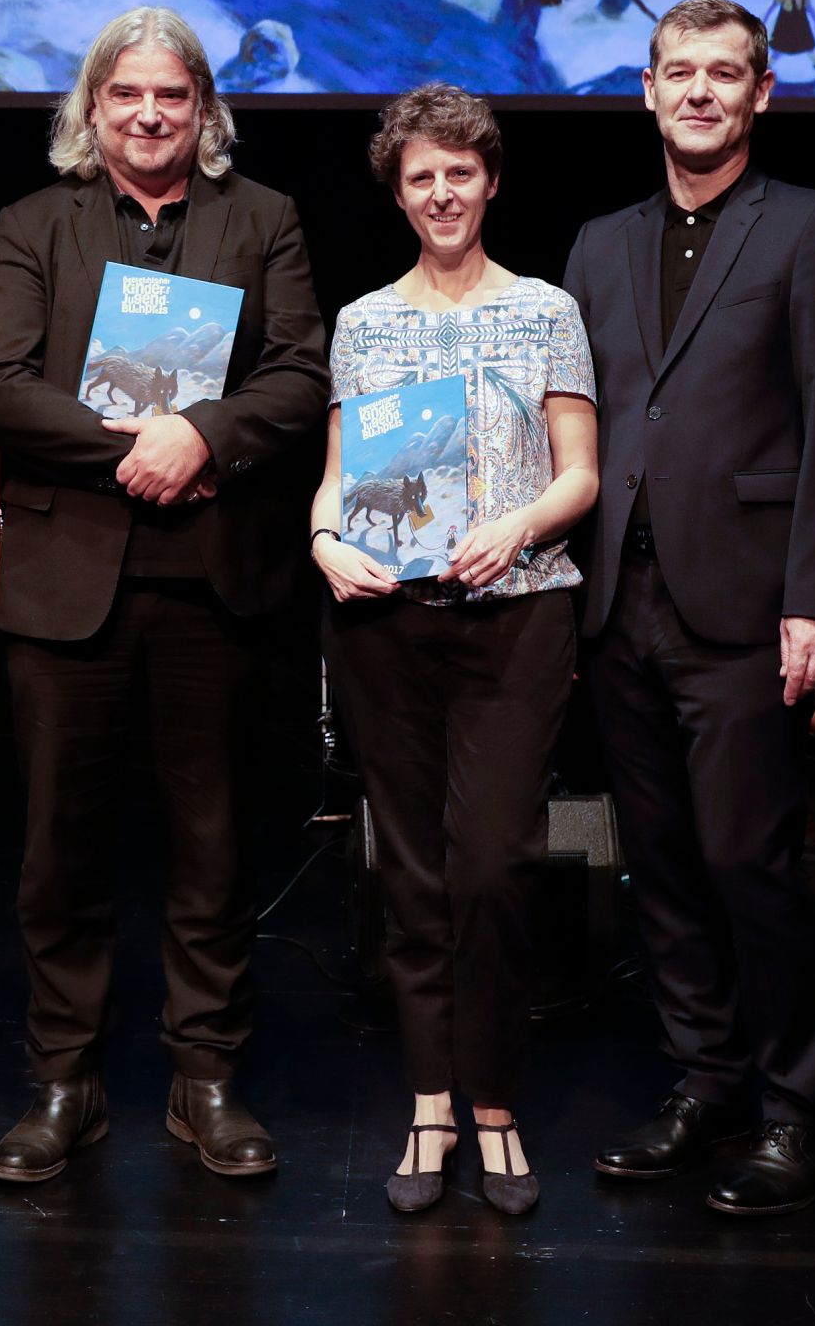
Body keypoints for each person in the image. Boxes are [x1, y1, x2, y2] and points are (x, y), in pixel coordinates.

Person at [0, 6, 327, 1184]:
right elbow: (1, 385)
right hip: (66, 579)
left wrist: (201, 437)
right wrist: (128, 442)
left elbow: (299, 372)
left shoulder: (261, 218)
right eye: (126, 94)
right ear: (93, 107)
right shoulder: (34, 224)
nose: (149, 113)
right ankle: (64, 1079)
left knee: (213, 843)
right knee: (59, 849)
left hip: (214, 582)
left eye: (172, 95)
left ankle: (205, 1077)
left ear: (204, 108)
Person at [562, 0, 815, 1215]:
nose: (699, 91)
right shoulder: (597, 242)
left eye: (723, 73)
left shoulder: (810, 228)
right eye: (677, 71)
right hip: (615, 598)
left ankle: (799, 1109)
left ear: (760, 94)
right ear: (644, 89)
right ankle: (706, 1085)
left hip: (747, 602)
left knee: (753, 859)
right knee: (662, 863)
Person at [311, 83, 598, 1215]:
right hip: (387, 620)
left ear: (489, 181)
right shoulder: (363, 323)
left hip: (519, 613)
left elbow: (577, 468)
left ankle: (496, 1100)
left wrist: (516, 525)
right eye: (420, 175)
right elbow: (338, 476)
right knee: (411, 870)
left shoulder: (546, 308)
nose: (442, 191)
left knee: (492, 862)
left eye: (460, 172)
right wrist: (324, 535)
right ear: (397, 189)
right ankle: (431, 1097)